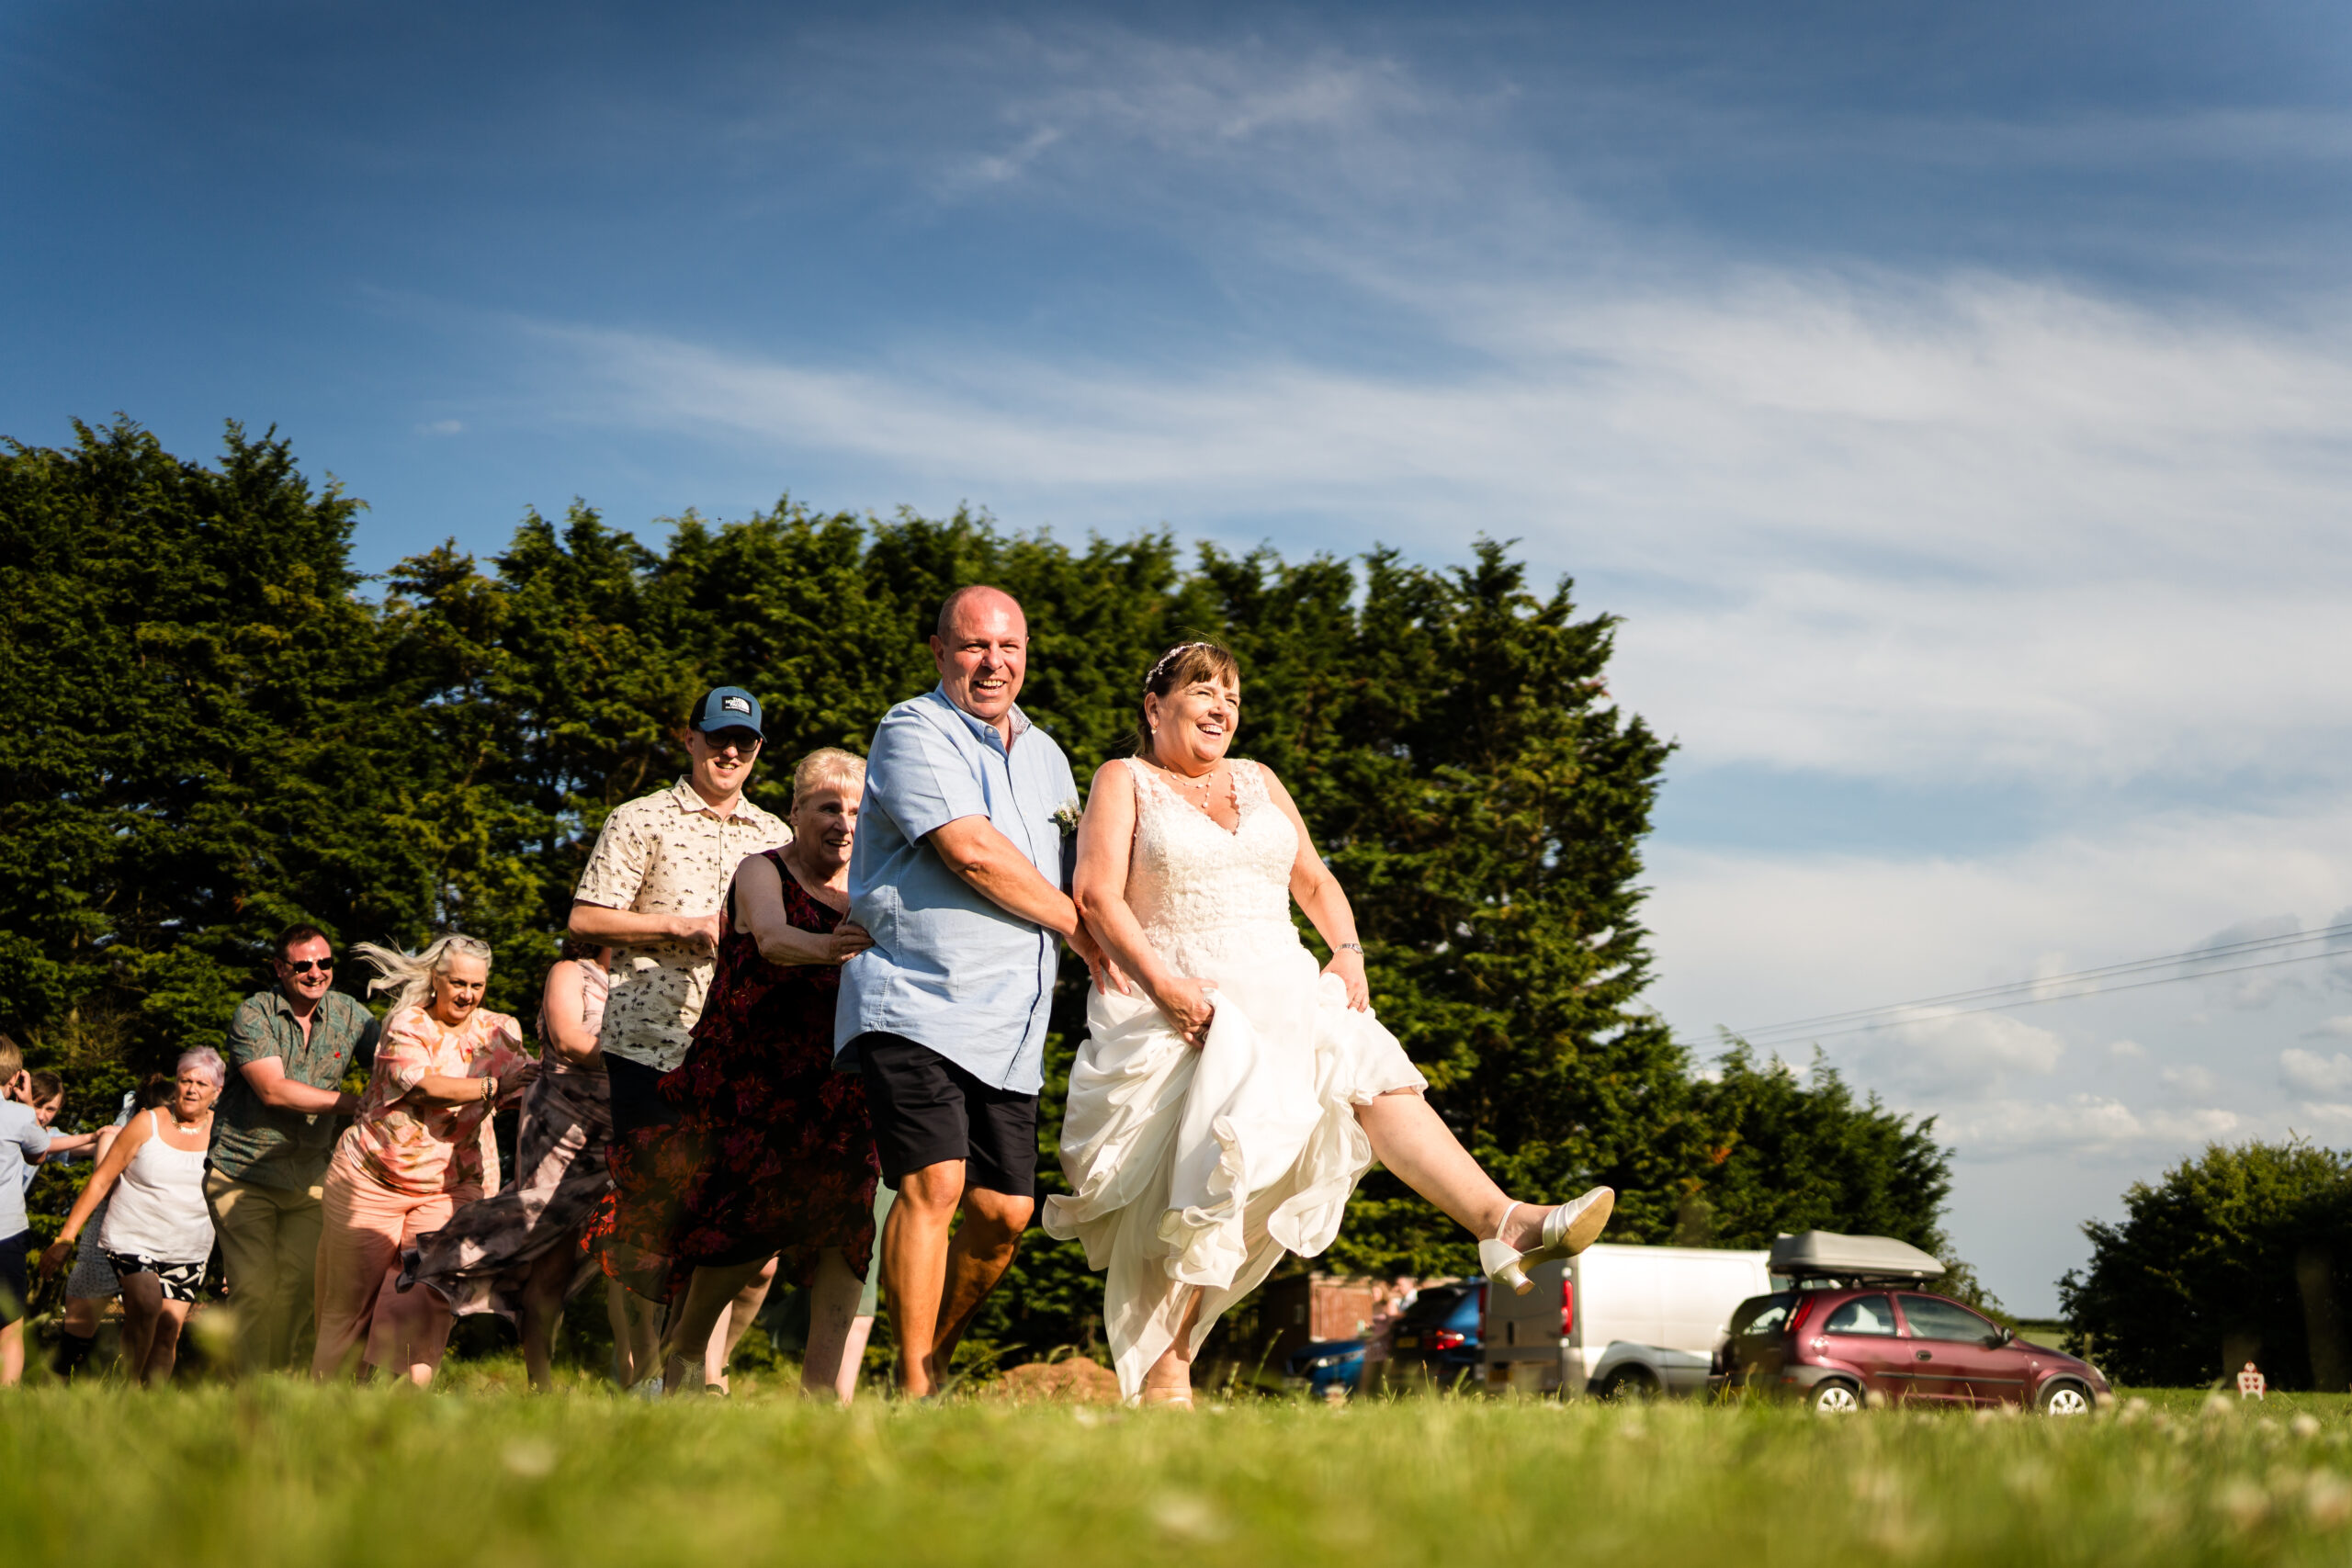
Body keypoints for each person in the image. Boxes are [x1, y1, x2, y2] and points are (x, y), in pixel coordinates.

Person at [1044, 642, 1615, 1404]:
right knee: (1210, 1195)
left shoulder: (1260, 780)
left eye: (1233, 698)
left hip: (1288, 985)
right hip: (1192, 1009)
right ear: (1155, 706)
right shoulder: (1126, 779)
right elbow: (1096, 894)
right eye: (1203, 691)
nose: (1222, 708)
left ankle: (1503, 1219)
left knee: (1378, 1076)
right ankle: (1166, 1371)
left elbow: (1312, 877)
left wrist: (1347, 951)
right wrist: (1168, 987)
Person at [835, 586, 1115, 1398]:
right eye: (973, 646)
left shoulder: (1050, 757)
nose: (993, 663)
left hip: (1012, 1023)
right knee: (936, 1183)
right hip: (916, 996)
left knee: (1004, 1215)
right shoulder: (910, 729)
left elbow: (1084, 870)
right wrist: (1078, 926)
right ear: (938, 650)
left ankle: (933, 1358)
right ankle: (915, 1388)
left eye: (1009, 647)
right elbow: (972, 851)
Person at [650, 748, 887, 1402]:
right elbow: (773, 938)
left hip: (839, 1082)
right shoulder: (761, 869)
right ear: (795, 811)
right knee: (744, 1227)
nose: (844, 821)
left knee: (848, 1227)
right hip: (751, 1080)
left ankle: (821, 1396)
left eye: (858, 810)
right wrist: (842, 947)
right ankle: (683, 1358)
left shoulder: (870, 887)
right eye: (828, 806)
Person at [571, 685, 790, 1384]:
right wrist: (683, 926)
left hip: (741, 1055)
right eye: (718, 736)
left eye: (745, 742)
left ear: (758, 751)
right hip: (650, 1045)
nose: (731, 751)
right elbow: (586, 920)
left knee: (748, 1236)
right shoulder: (639, 819)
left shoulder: (776, 836)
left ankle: (698, 1372)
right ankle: (641, 1380)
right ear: (689, 739)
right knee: (650, 1225)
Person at [311, 936, 537, 1384]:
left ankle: (407, 1406)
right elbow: (424, 1087)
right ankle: (327, 1407)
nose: (467, 994)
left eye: (477, 985)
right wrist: (496, 1087)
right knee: (349, 1308)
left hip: (450, 1185)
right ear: (436, 978)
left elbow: (526, 1083)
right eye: (457, 982)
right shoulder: (407, 1023)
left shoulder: (500, 1031)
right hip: (371, 1178)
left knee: (425, 1291)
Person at [399, 940, 617, 1392]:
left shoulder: (661, 973)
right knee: (549, 1262)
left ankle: (642, 1377)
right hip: (562, 1132)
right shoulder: (570, 973)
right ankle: (542, 1386)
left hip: (626, 1127)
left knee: (631, 1260)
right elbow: (566, 1042)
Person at [208, 922, 380, 1374]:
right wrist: (354, 1105)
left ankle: (277, 1374)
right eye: (304, 965)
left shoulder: (352, 1016)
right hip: (241, 1174)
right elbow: (274, 1091)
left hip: (308, 1178)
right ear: (280, 968)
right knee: (255, 1287)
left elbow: (398, 1057)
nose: (316, 972)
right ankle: (251, 1390)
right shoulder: (254, 1014)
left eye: (324, 963)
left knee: (305, 1285)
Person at [40, 1052, 227, 1386]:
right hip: (132, 1237)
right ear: (177, 1082)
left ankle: (146, 1405)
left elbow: (230, 1197)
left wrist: (234, 1262)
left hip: (189, 1246)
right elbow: (101, 1180)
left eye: (202, 1083)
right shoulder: (147, 1122)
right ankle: (122, 1392)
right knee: (147, 1304)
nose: (192, 1089)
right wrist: (65, 1238)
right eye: (186, 1080)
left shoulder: (224, 1131)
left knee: (169, 1330)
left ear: (218, 1091)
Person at [51, 1079, 176, 1382]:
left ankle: (130, 1401)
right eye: (169, 1111)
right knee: (76, 1337)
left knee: (147, 1329)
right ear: (146, 1112)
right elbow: (107, 1187)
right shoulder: (115, 1137)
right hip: (103, 1246)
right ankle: (53, 1395)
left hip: (153, 1245)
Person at [0, 1036, 51, 1386]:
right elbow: (39, 1153)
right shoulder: (19, 1115)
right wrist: (28, 1101)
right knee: (9, 1328)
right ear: (17, 1076)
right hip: (6, 1234)